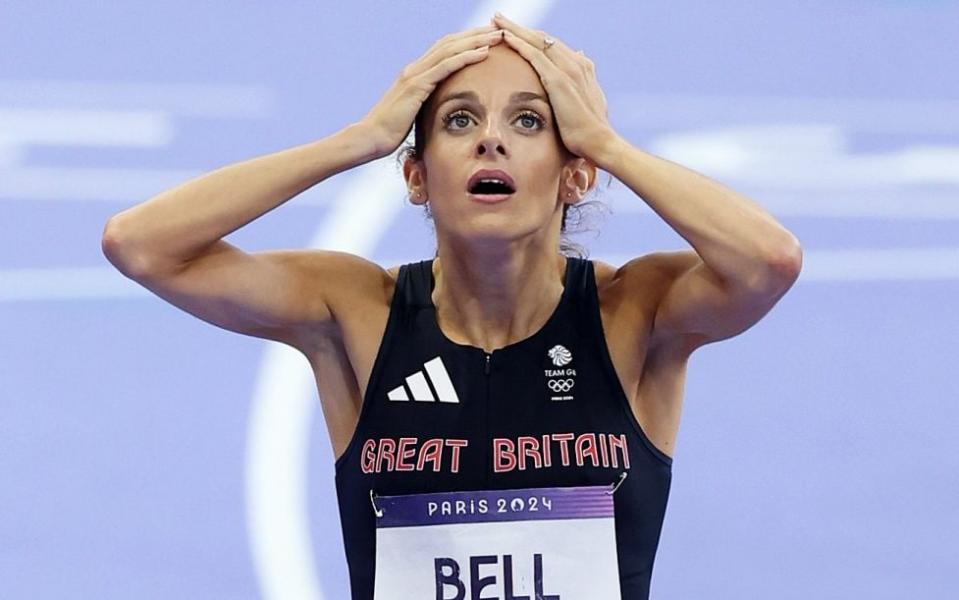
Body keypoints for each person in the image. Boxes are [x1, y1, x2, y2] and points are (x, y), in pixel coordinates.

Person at [101, 13, 802, 600]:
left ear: (573, 174)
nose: (489, 139)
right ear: (416, 176)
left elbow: (767, 261)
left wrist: (609, 144)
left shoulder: (633, 315)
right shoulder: (357, 313)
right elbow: (141, 244)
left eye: (529, 121)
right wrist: (361, 139)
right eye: (459, 120)